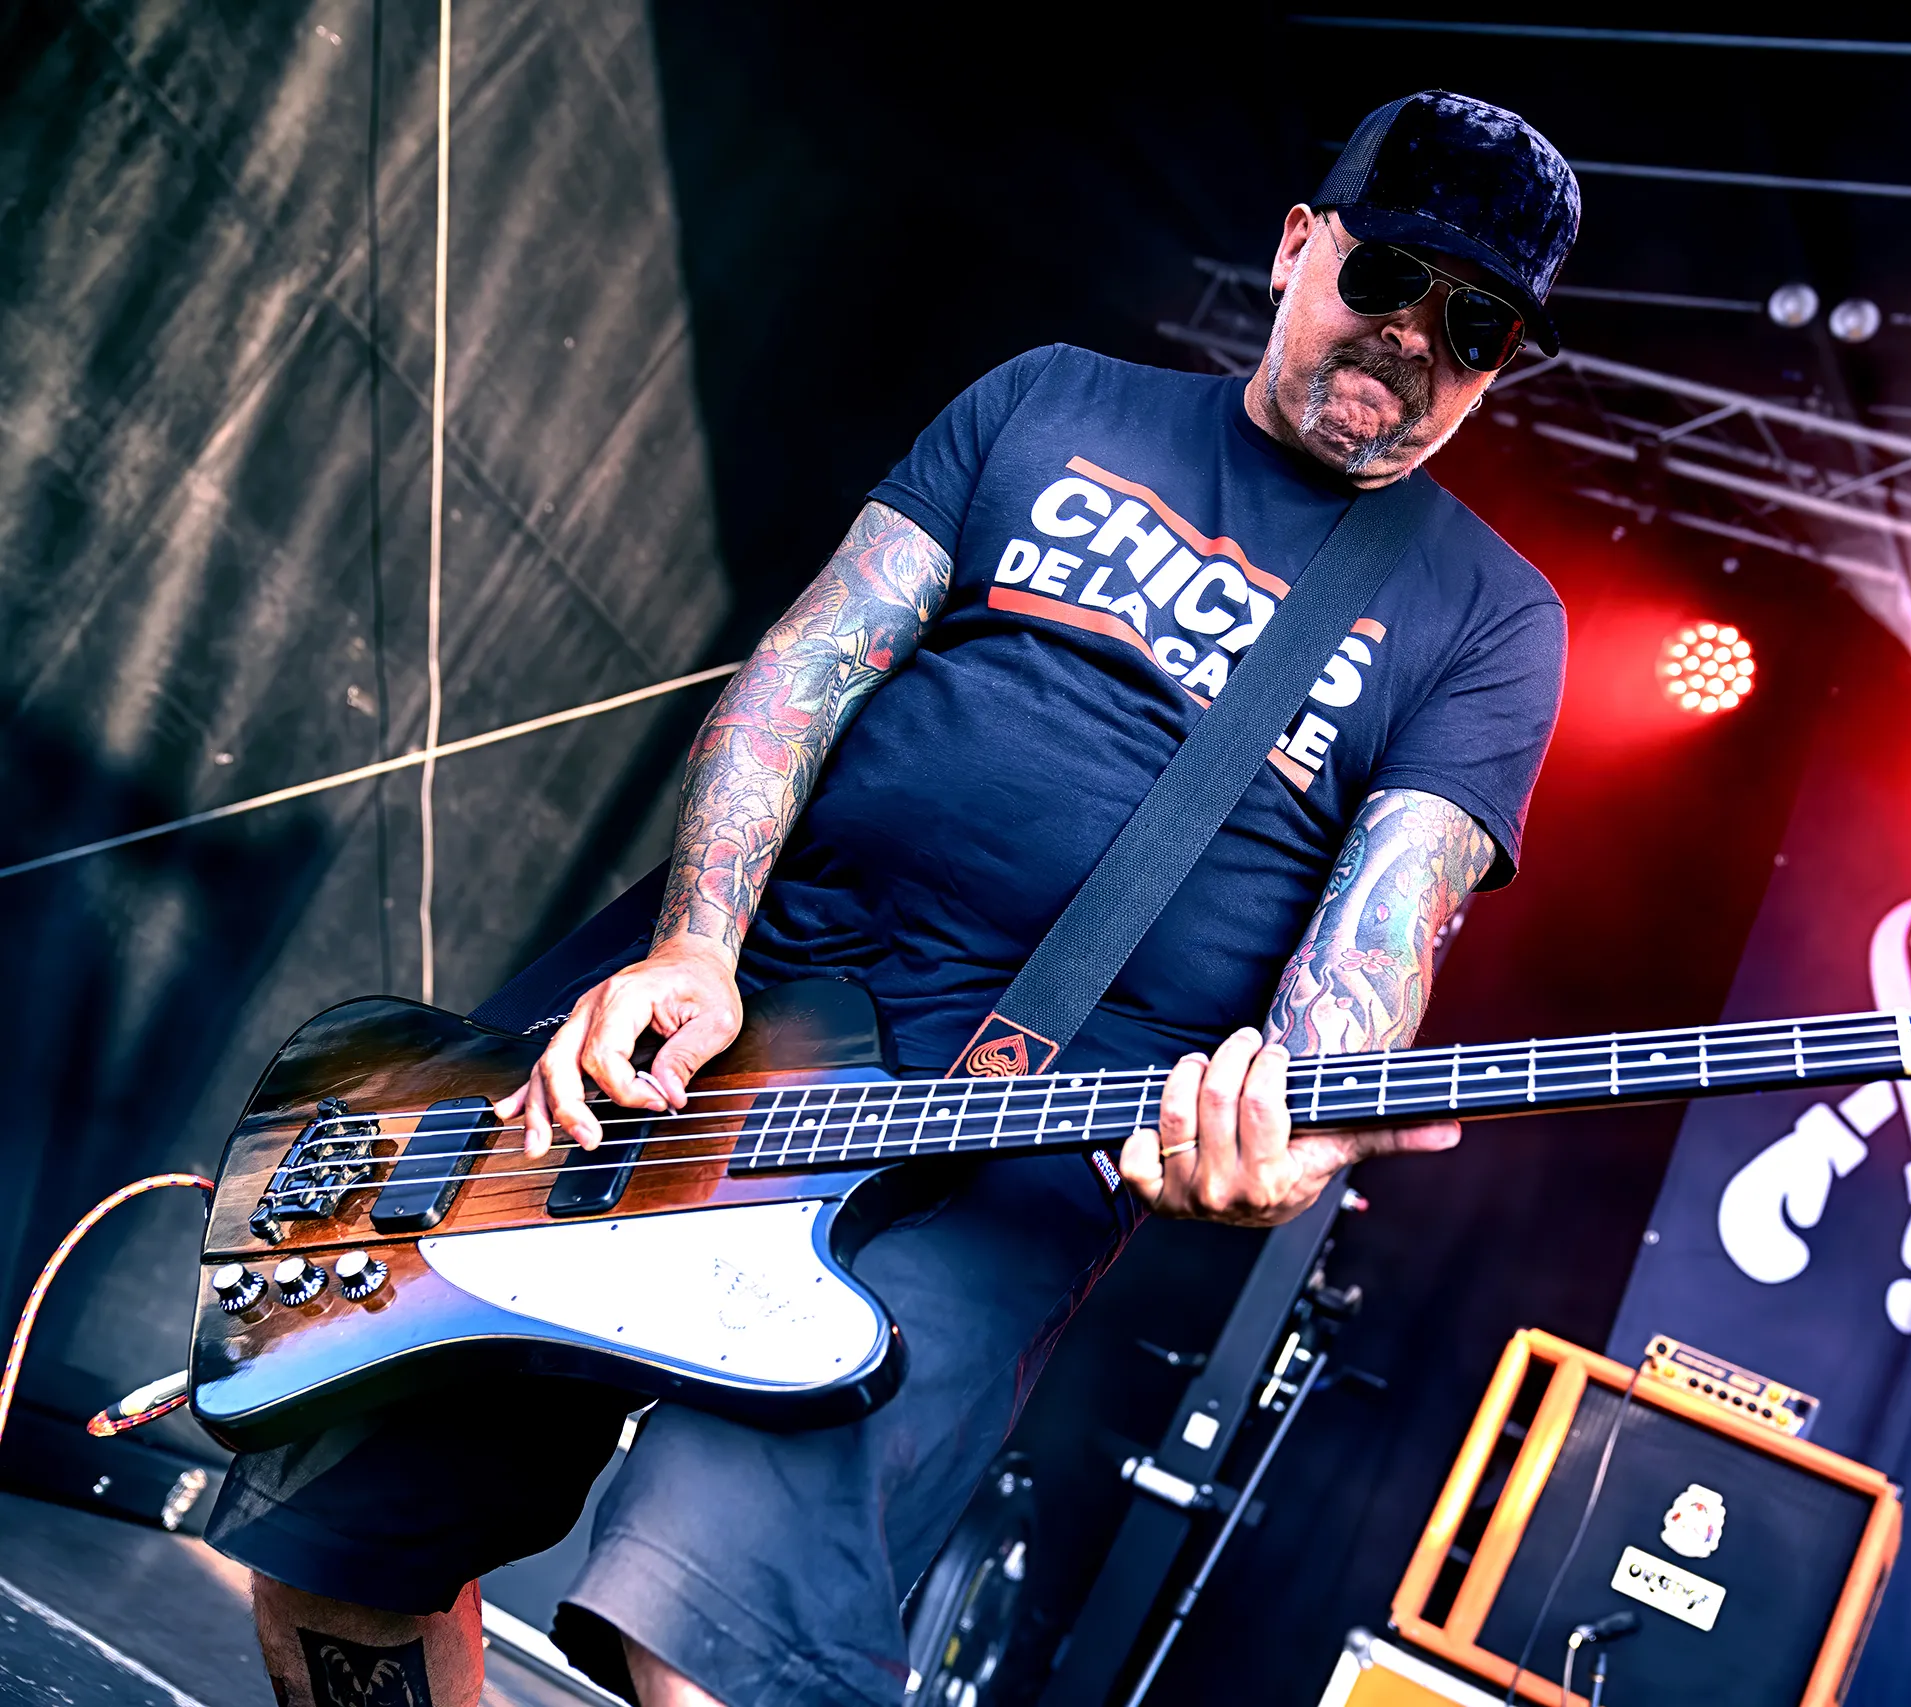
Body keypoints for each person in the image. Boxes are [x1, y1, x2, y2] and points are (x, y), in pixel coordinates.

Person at [209, 90, 1580, 1707]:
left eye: (1473, 324)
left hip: (1014, 1132)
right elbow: (807, 668)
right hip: (735, 998)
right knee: (349, 1532)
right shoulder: (1051, 397)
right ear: (1296, 246)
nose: (1413, 337)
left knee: (713, 1621)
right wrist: (695, 944)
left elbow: (1378, 941)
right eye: (1389, 275)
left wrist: (1286, 1139)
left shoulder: (1486, 615)